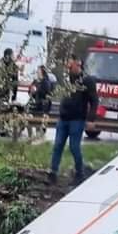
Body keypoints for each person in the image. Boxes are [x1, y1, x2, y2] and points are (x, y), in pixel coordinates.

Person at [49, 56, 98, 185]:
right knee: (58, 145)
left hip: (77, 119)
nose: (68, 69)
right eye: (67, 66)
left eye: (70, 66)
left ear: (78, 64)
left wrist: (91, 119)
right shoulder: (67, 79)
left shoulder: (87, 80)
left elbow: (94, 101)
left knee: (74, 147)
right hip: (64, 117)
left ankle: (79, 172)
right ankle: (53, 172)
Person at [26, 65, 53, 139]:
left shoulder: (46, 82)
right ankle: (30, 137)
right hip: (35, 105)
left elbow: (46, 94)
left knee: (38, 119)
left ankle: (38, 135)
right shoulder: (35, 81)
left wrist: (36, 90)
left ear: (42, 72)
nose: (37, 72)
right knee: (27, 118)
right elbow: (30, 91)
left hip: (42, 107)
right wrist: (31, 91)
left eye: (38, 70)